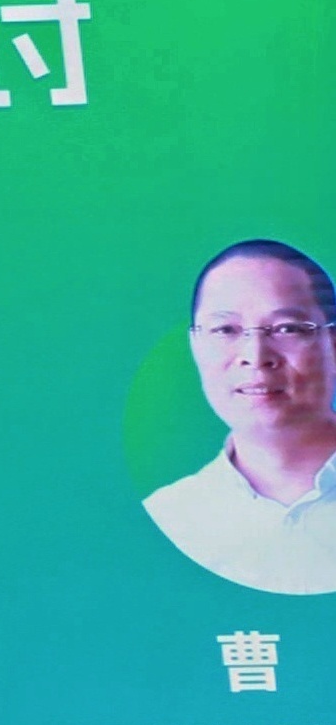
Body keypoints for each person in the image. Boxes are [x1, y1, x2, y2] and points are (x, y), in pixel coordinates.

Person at [142, 238, 336, 594]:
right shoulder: (167, 520)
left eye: (287, 328)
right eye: (225, 330)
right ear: (196, 345)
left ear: (333, 343)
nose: (256, 356)